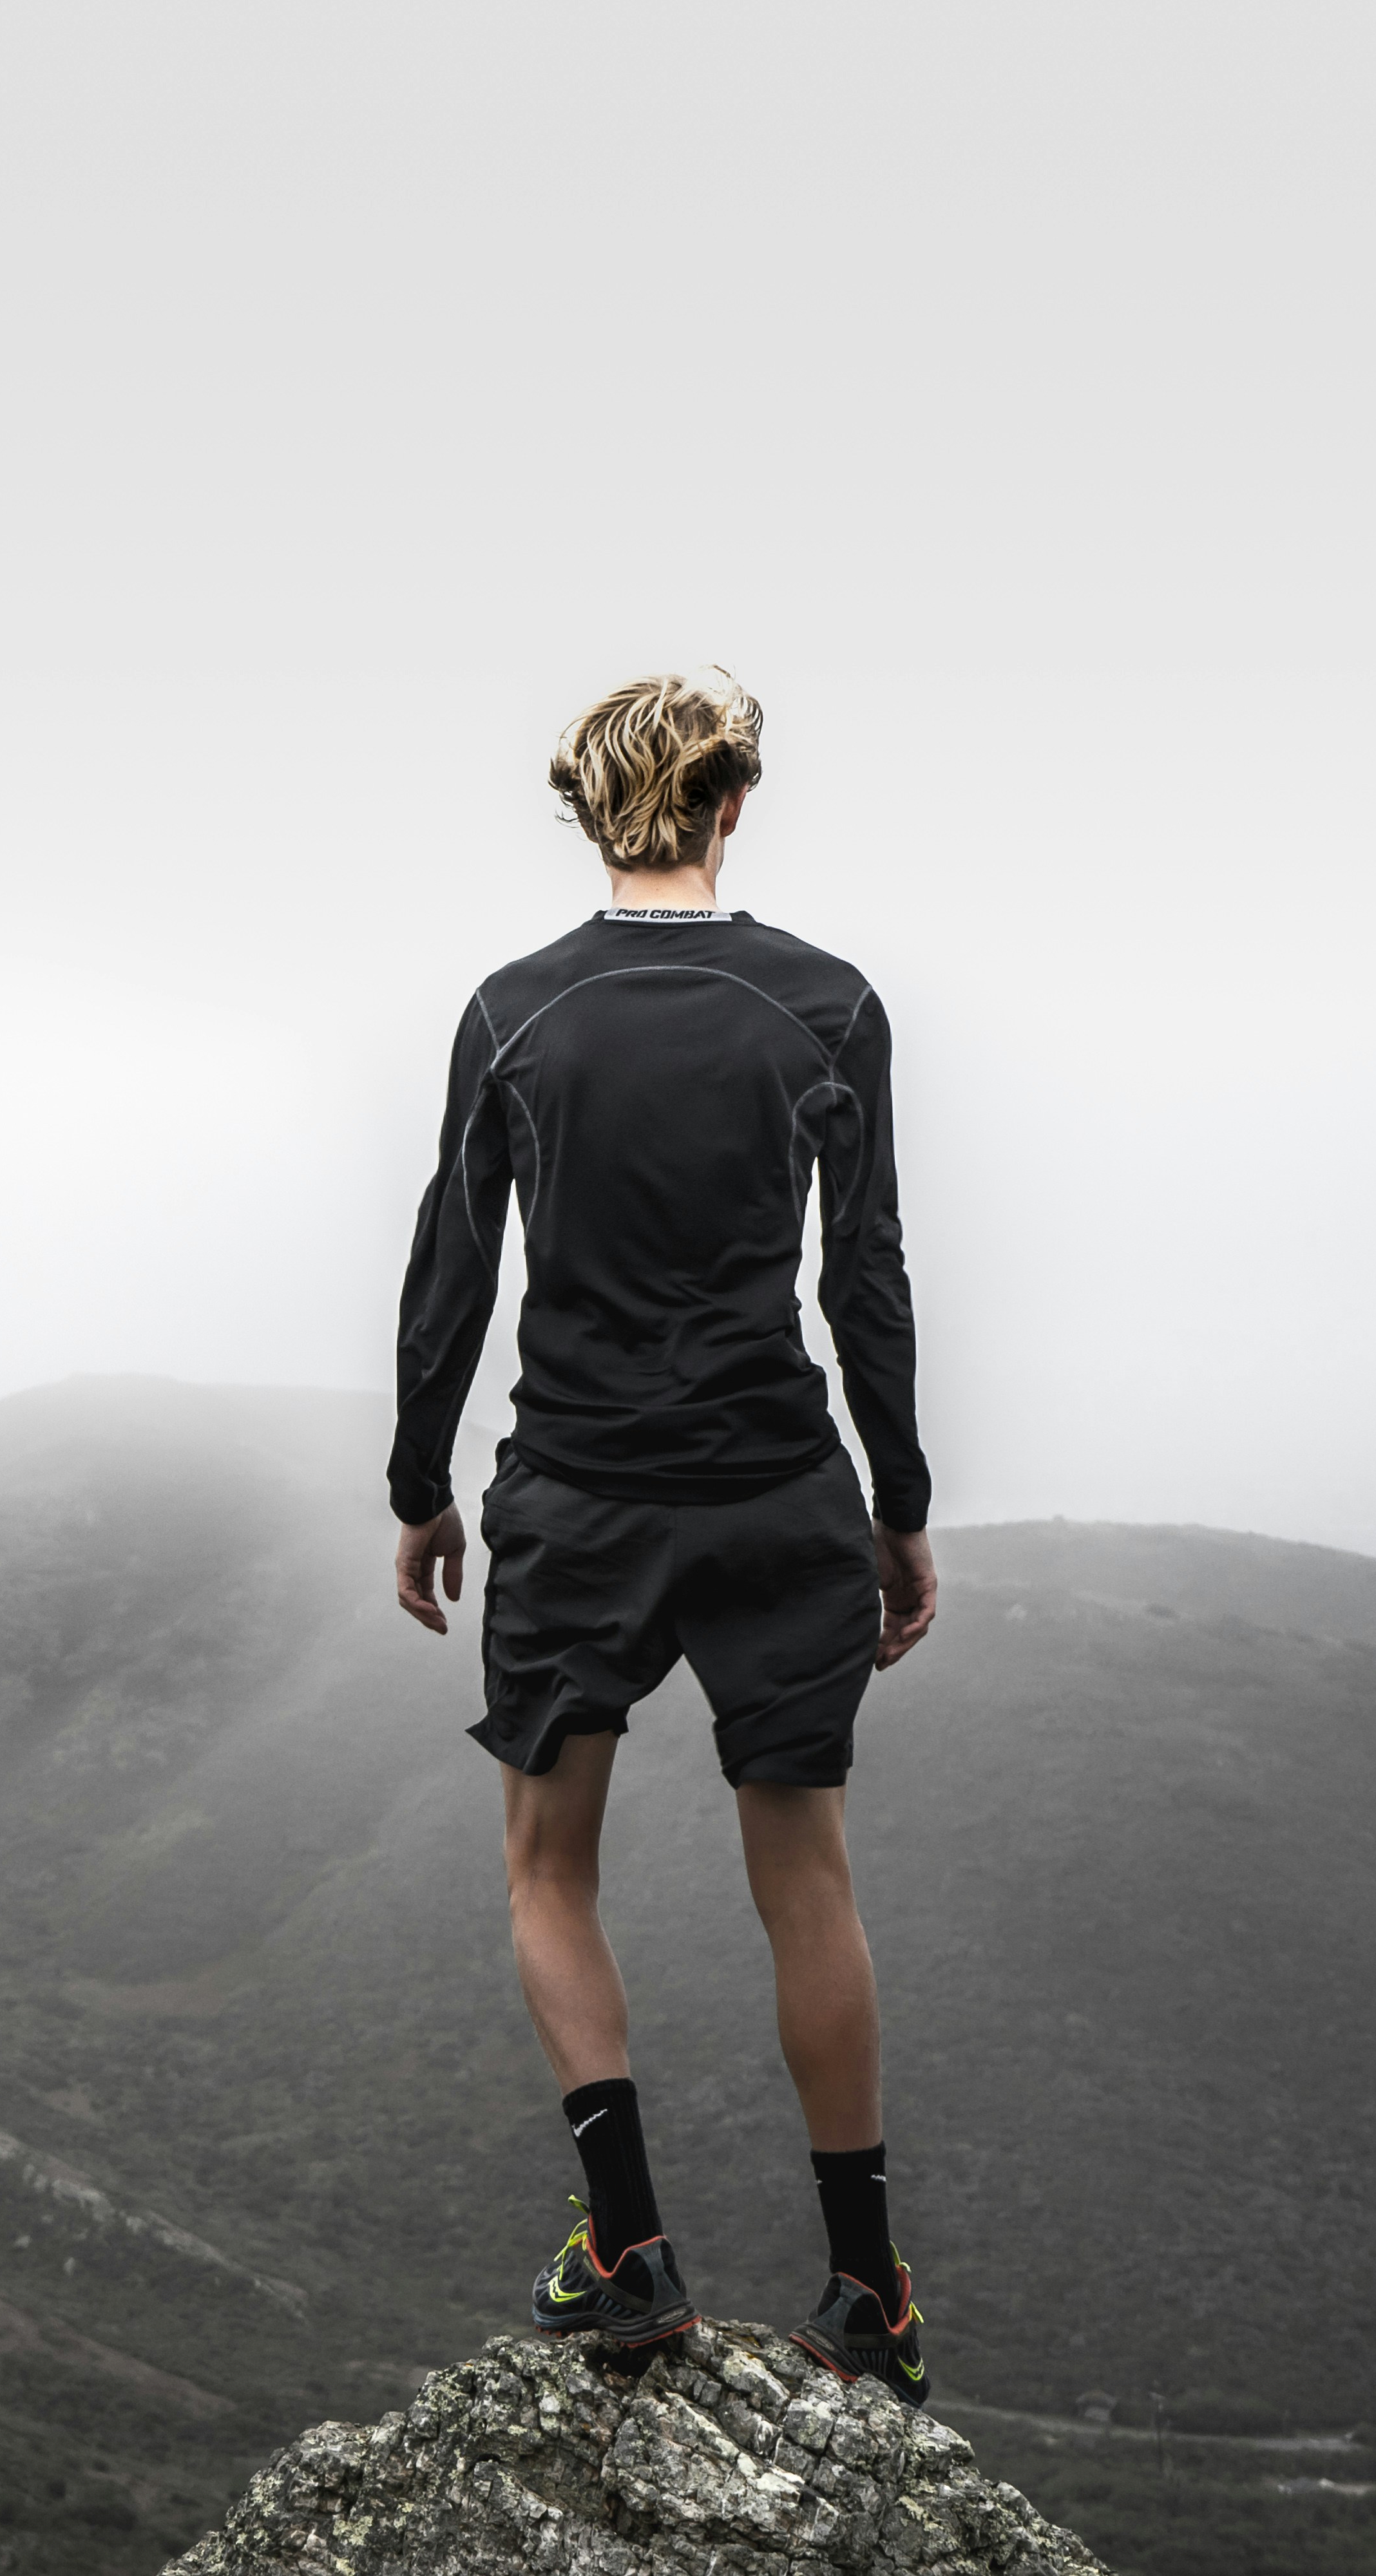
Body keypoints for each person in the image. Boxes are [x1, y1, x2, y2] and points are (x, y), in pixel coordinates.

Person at [386, 670, 940, 2401]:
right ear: (731, 808)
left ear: (586, 813)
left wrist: (420, 1485)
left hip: (583, 1497)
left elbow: (455, 1269)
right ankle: (867, 2291)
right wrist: (899, 1507)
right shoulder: (829, 1006)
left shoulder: (513, 1016)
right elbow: (866, 1278)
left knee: (550, 1866)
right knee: (809, 1882)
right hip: (781, 1485)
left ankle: (628, 2250)